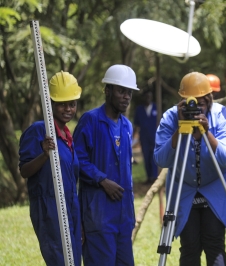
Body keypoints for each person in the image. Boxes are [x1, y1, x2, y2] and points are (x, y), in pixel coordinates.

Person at [154, 72, 226, 266]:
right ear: (182, 100)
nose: (197, 107)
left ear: (209, 99)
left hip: (215, 187)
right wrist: (180, 128)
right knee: (189, 246)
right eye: (192, 101)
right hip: (185, 188)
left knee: (215, 243)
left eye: (202, 102)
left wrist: (207, 133)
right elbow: (161, 159)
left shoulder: (220, 114)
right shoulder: (170, 117)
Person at [73, 64, 138, 266]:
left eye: (129, 92)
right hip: (98, 214)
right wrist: (101, 180)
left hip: (123, 216)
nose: (126, 96)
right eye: (121, 91)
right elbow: (77, 161)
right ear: (107, 91)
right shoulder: (90, 121)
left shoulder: (127, 126)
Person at [19, 71, 82, 265]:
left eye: (72, 104)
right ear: (51, 104)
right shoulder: (39, 130)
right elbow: (24, 171)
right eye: (62, 104)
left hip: (71, 206)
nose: (68, 109)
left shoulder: (66, 135)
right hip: (49, 209)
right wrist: (44, 154)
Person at [133, 89, 158, 184]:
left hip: (155, 136)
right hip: (144, 137)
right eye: (146, 96)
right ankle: (149, 177)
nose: (148, 98)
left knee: (154, 157)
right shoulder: (139, 109)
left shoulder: (156, 107)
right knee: (146, 156)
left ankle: (154, 177)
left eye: (149, 96)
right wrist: (133, 137)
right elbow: (136, 125)